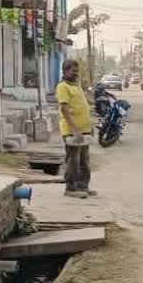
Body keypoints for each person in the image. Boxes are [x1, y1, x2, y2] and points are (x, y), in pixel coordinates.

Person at [56, 59, 94, 198]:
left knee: (85, 160)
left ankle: (83, 186)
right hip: (71, 130)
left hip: (84, 129)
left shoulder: (76, 86)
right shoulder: (62, 86)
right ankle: (71, 188)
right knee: (74, 160)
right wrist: (74, 129)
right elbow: (65, 109)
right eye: (73, 71)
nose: (76, 73)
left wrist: (89, 126)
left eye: (77, 71)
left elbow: (83, 105)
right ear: (65, 71)